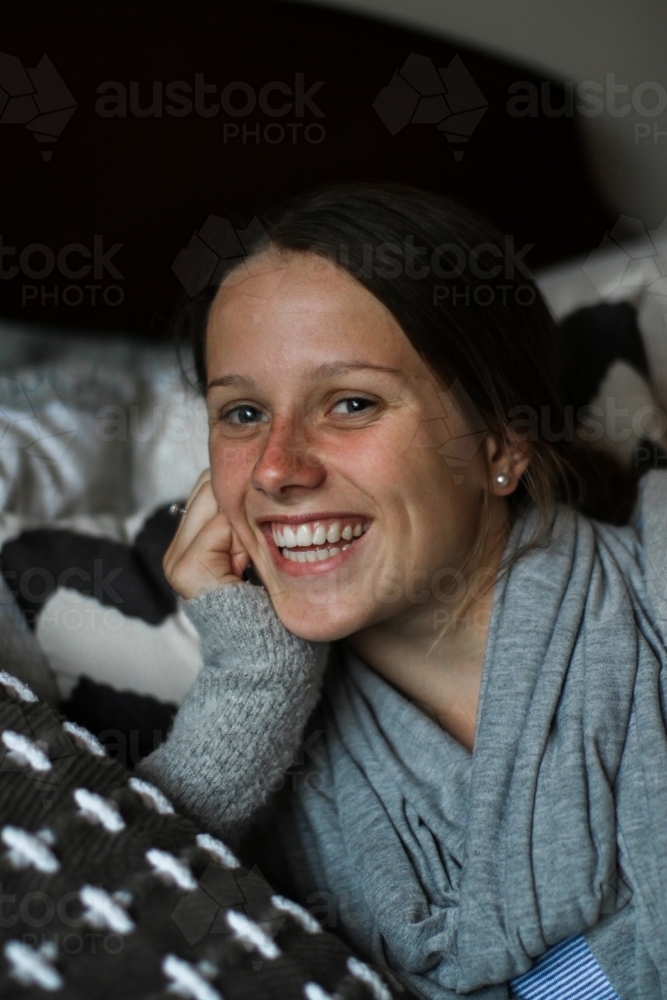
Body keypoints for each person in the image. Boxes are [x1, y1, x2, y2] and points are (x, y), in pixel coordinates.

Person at [140, 185, 667, 1000]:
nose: (278, 468)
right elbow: (111, 933)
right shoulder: (264, 769)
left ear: (500, 437)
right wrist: (254, 679)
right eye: (243, 412)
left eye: (350, 402)